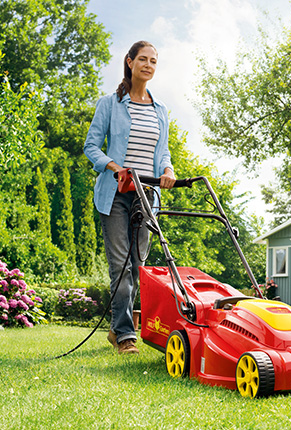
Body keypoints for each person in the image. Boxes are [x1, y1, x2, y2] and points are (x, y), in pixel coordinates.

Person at [84, 41, 176, 354]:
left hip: (146, 194)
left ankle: (117, 328)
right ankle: (125, 336)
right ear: (130, 62)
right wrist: (113, 166)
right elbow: (91, 147)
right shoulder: (110, 104)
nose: (148, 65)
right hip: (115, 195)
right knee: (120, 267)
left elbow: (162, 151)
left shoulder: (160, 110)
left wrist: (167, 169)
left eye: (153, 61)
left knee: (139, 267)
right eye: (143, 59)